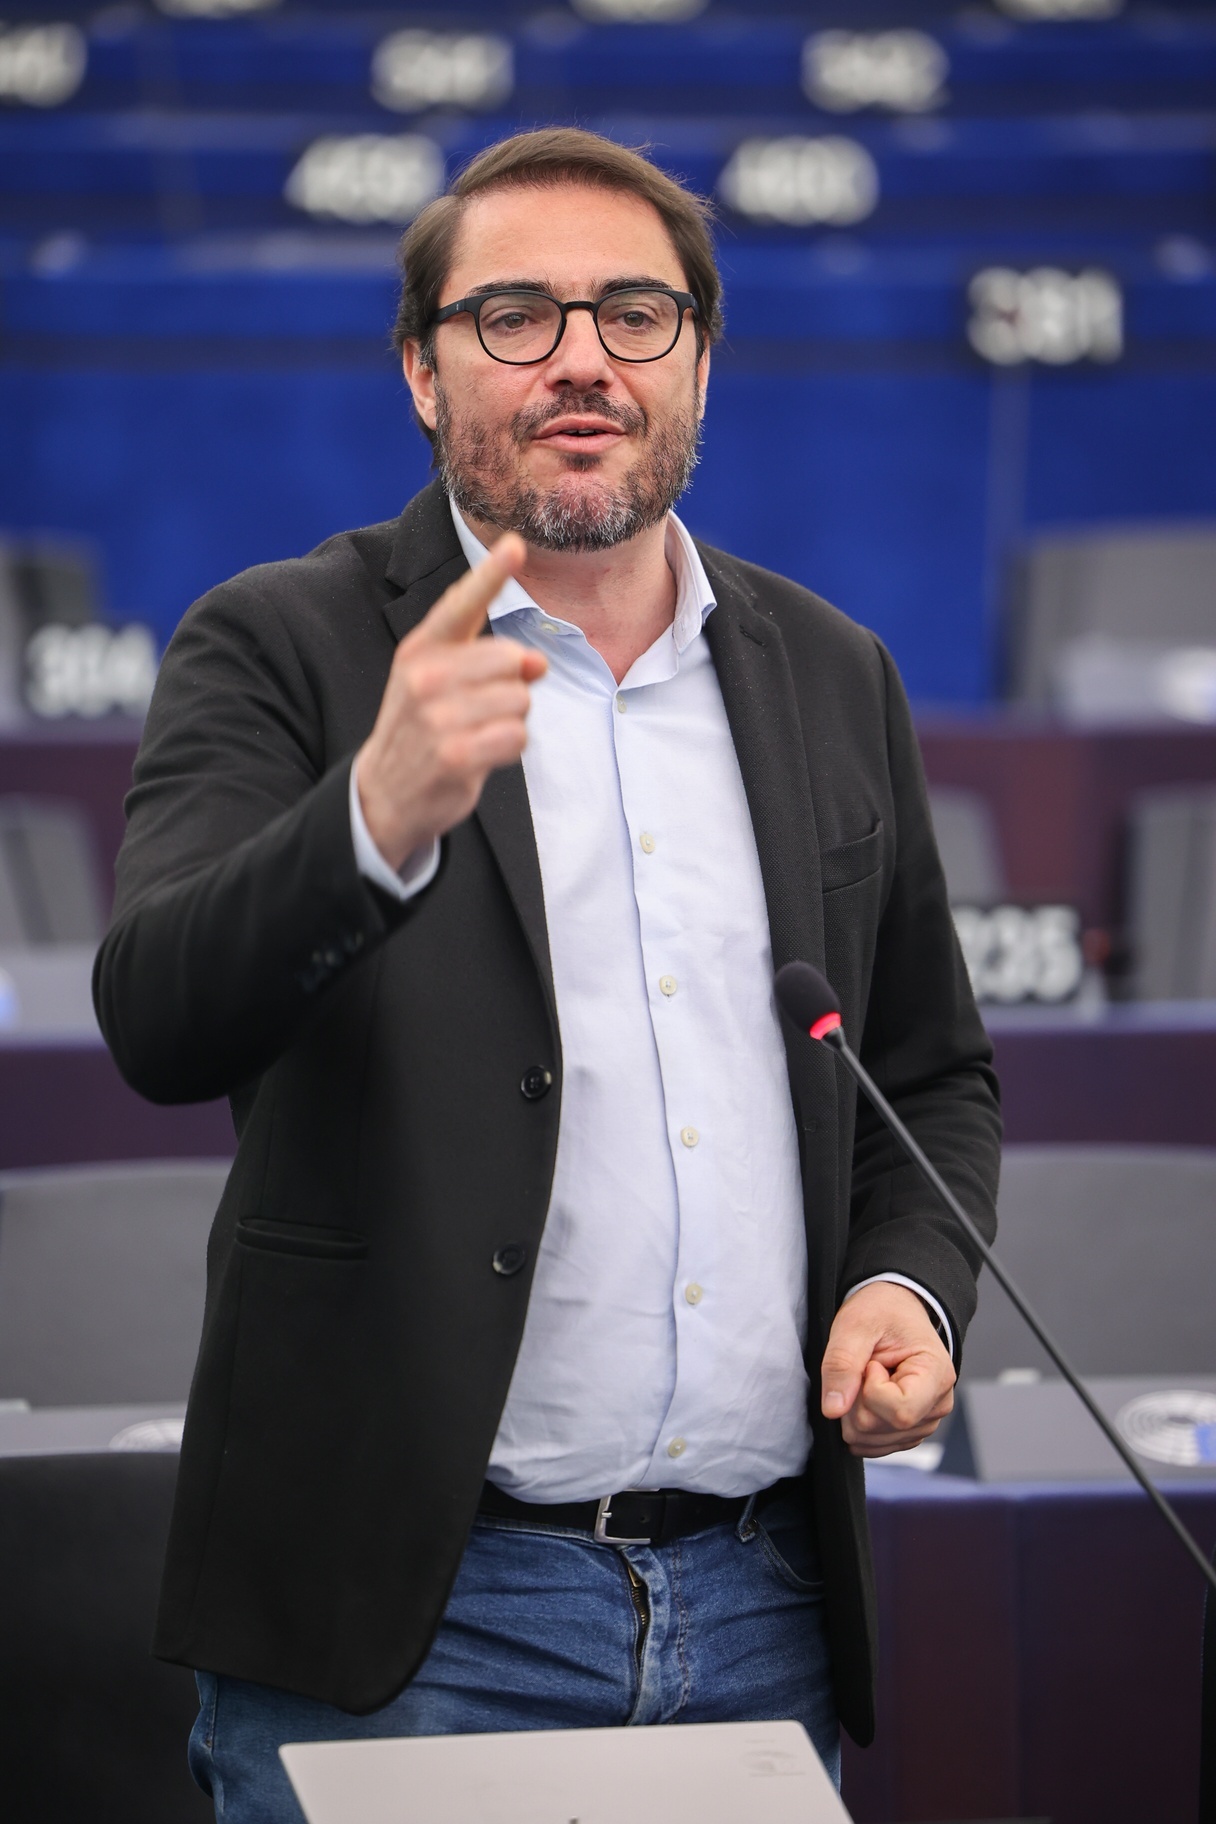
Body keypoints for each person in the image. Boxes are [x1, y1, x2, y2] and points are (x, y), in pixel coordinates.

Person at [94, 127, 1001, 1822]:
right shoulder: (281, 641)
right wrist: (373, 816)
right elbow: (156, 1012)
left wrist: (908, 1285)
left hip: (764, 1605)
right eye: (515, 315)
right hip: (412, 1620)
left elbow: (924, 1071)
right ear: (422, 373)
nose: (584, 358)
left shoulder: (831, 670)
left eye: (635, 314)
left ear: (700, 362)